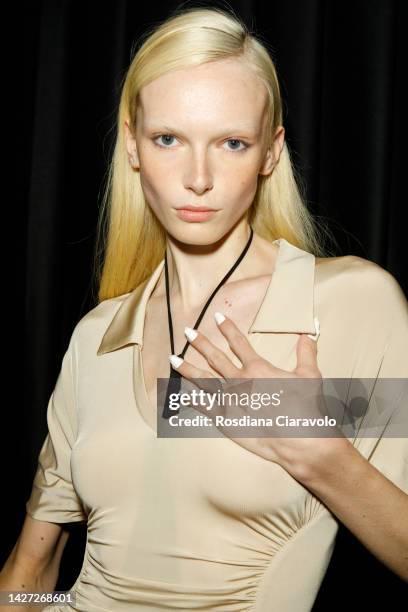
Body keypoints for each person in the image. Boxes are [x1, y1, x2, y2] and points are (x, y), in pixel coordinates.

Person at [1, 6, 407, 612]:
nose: (197, 178)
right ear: (133, 145)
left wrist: (317, 451)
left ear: (270, 154)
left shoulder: (346, 305)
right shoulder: (100, 337)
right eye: (168, 138)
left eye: (232, 143)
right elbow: (31, 580)